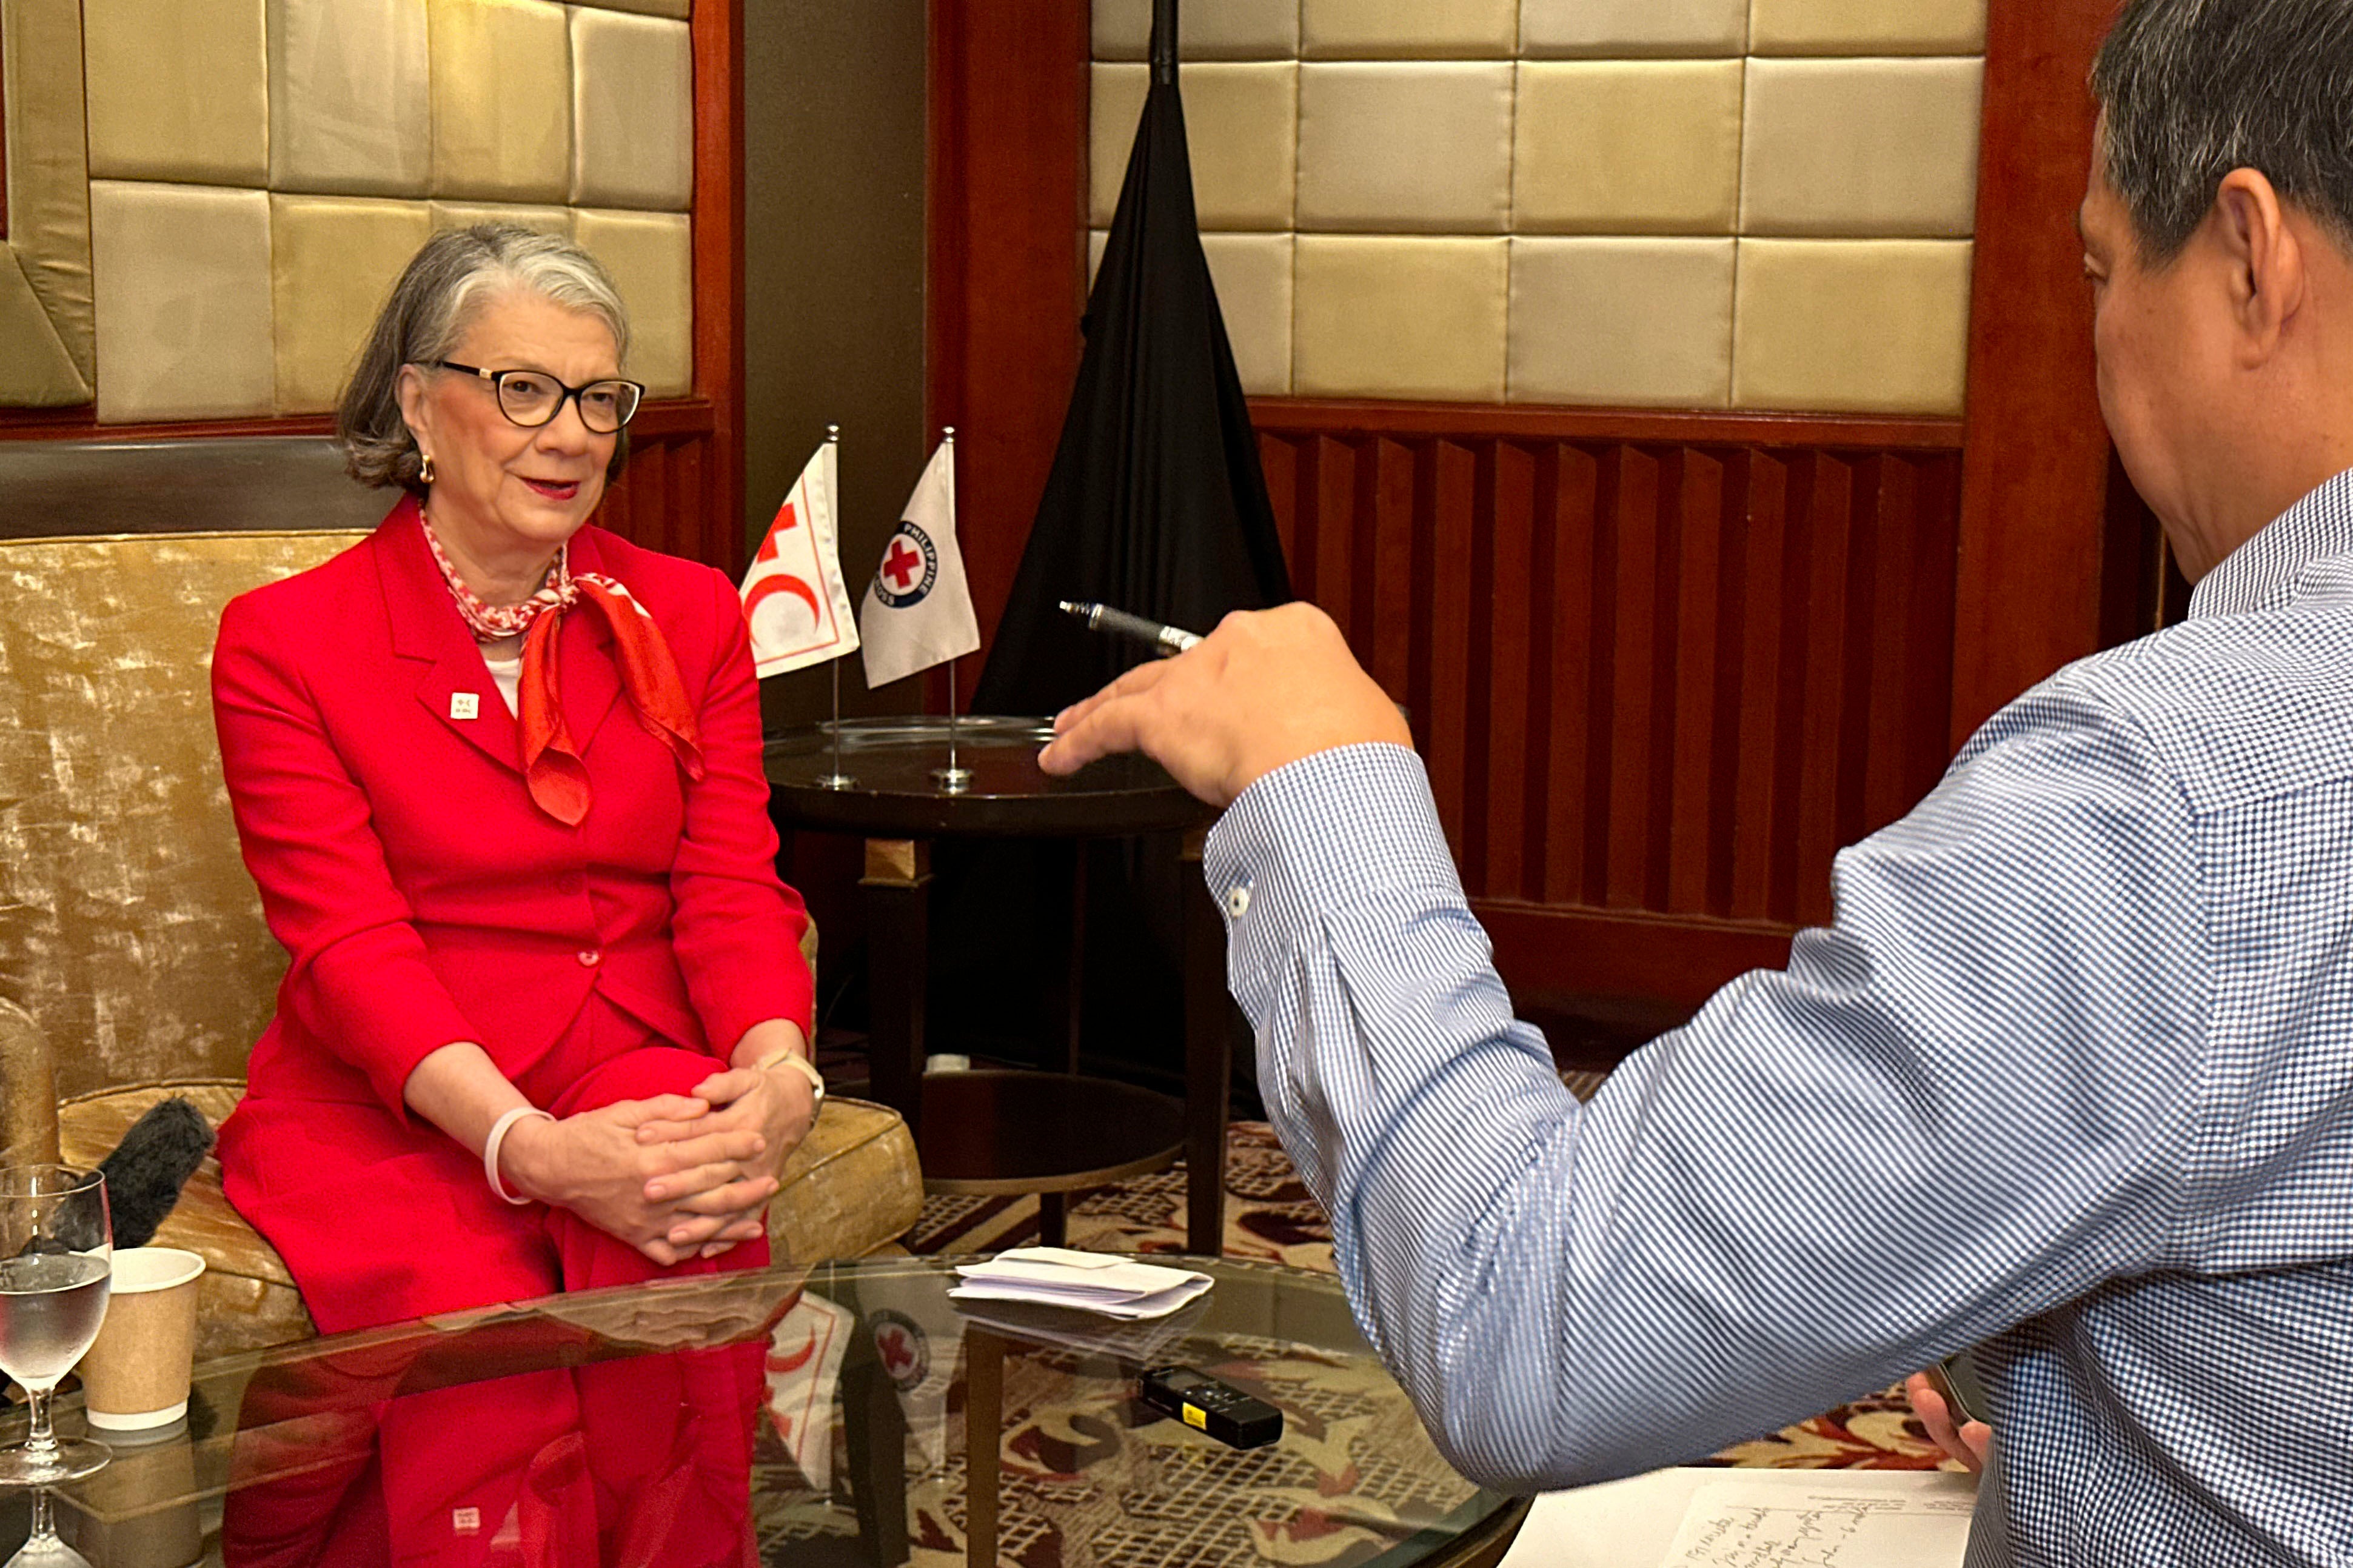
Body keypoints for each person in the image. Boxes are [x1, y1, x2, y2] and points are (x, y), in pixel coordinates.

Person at [1041, 0, 2353, 1558]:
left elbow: (1522, 1312)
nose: (2096, 337)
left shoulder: (2184, 800)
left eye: (2096, 270)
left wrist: (1328, 776)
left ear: (2250, 257)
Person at [210, 224, 816, 1563]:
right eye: (523, 388)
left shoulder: (694, 612)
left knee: (689, 1209)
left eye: (600, 397)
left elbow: (730, 881)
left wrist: (780, 1071)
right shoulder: (287, 643)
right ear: (422, 403)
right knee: (481, 1325)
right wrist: (527, 1151)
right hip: (404, 1103)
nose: (570, 434)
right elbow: (349, 946)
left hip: (633, 1056)